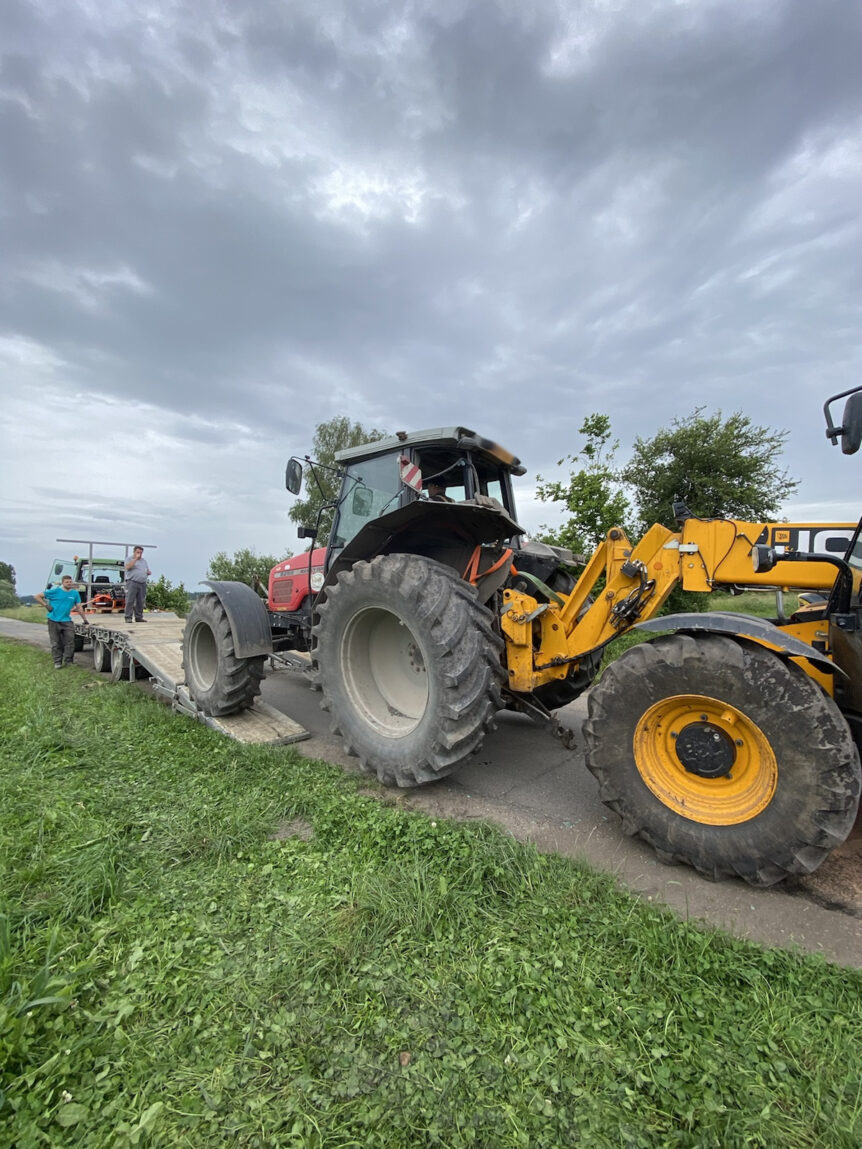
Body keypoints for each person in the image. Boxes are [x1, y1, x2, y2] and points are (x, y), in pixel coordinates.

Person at [35, 574, 88, 668]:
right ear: (62, 583)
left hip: (66, 620)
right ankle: (57, 662)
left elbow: (79, 607)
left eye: (70, 582)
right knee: (56, 642)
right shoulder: (55, 591)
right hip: (53, 620)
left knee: (70, 641)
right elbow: (37, 596)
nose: (69, 583)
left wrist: (85, 619)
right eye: (66, 582)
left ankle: (68, 661)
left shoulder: (74, 593)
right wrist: (46, 605)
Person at [124, 545, 151, 623]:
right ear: (134, 552)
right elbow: (128, 567)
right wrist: (135, 559)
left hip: (142, 583)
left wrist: (148, 572)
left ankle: (139, 617)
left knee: (140, 601)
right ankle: (128, 617)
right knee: (130, 600)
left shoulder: (144, 561)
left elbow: (146, 569)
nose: (139, 554)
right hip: (132, 582)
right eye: (138, 552)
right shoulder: (129, 559)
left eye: (141, 553)